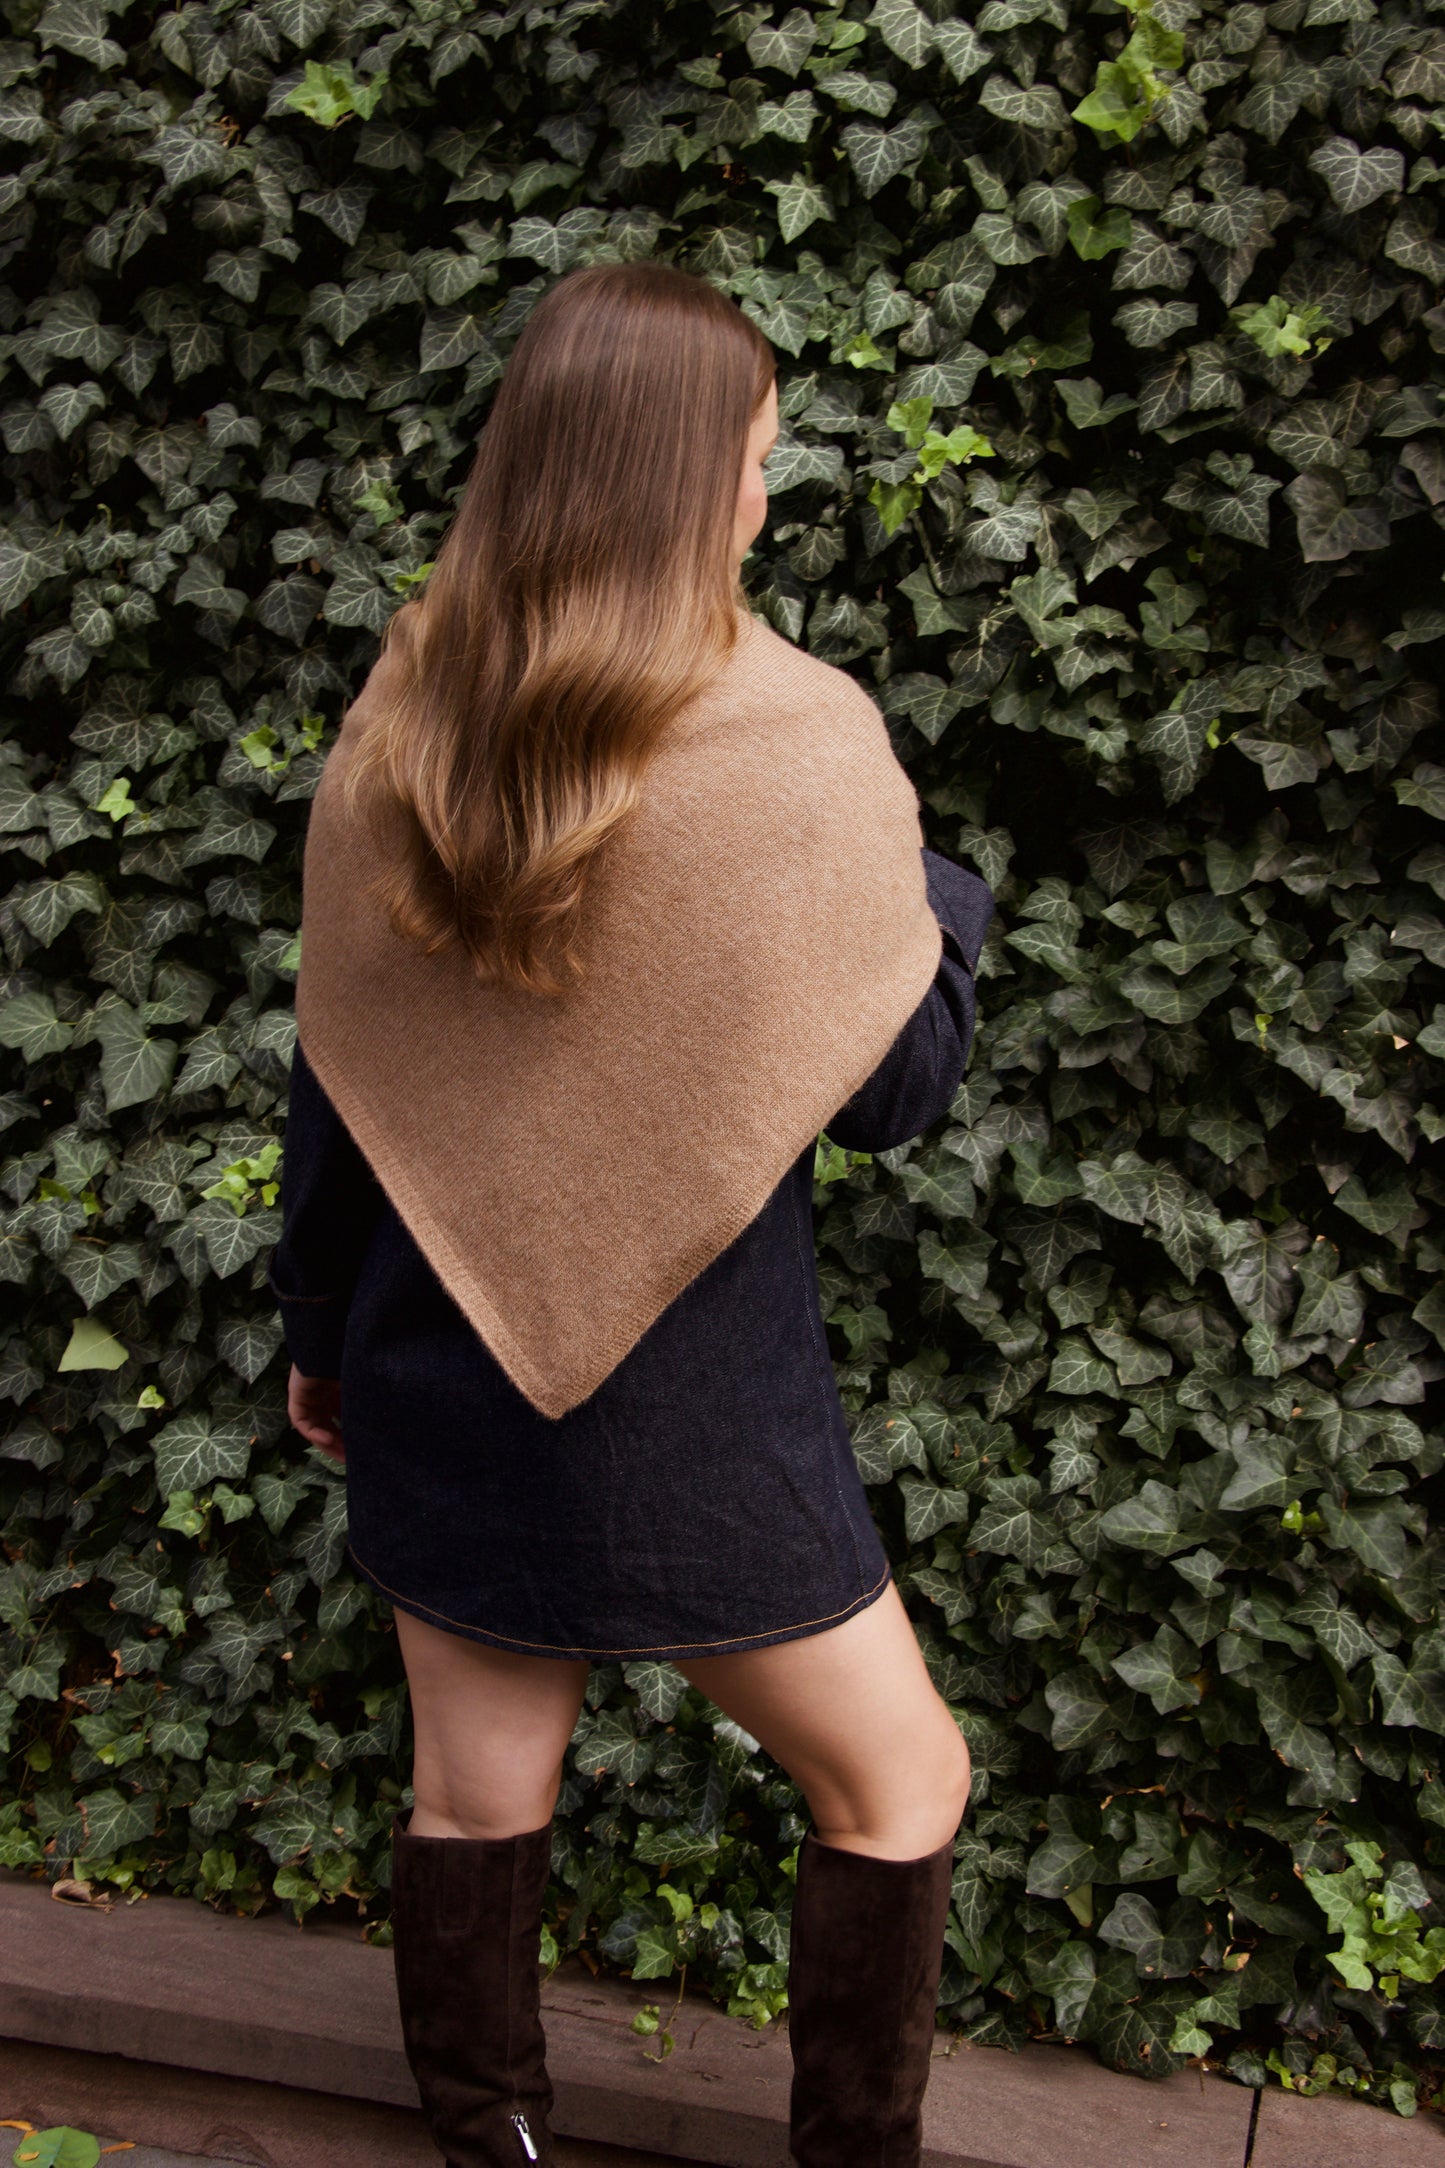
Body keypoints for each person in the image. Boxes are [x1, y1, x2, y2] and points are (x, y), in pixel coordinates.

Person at [268, 260, 995, 2168]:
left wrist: (315, 1342)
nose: (767, 494)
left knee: (474, 1791)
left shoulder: (408, 708)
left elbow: (337, 1079)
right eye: (757, 459)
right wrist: (927, 883)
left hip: (433, 1366)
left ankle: (489, 2146)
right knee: (900, 1776)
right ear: (690, 483)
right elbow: (906, 1091)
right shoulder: (802, 736)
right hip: (694, 1413)